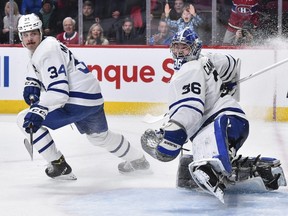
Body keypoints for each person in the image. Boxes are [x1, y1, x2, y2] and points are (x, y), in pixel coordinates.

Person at [141, 28, 286, 202]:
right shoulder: (206, 58)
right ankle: (262, 170)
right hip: (234, 119)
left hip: (222, 122)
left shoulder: (189, 71)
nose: (179, 51)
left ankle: (213, 169)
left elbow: (191, 110)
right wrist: (227, 84)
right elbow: (231, 63)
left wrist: (170, 139)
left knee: (209, 158)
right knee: (190, 166)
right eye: (176, 46)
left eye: (184, 47)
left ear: (194, 48)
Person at [16, 13, 150, 180]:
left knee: (24, 119)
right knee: (99, 137)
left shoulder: (46, 50)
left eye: (33, 34)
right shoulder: (45, 46)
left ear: (41, 32)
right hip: (92, 99)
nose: (30, 39)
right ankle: (138, 160)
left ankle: (59, 166)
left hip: (74, 102)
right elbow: (38, 70)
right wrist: (33, 83)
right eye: (26, 35)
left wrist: (39, 110)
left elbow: (59, 92)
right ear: (20, 36)